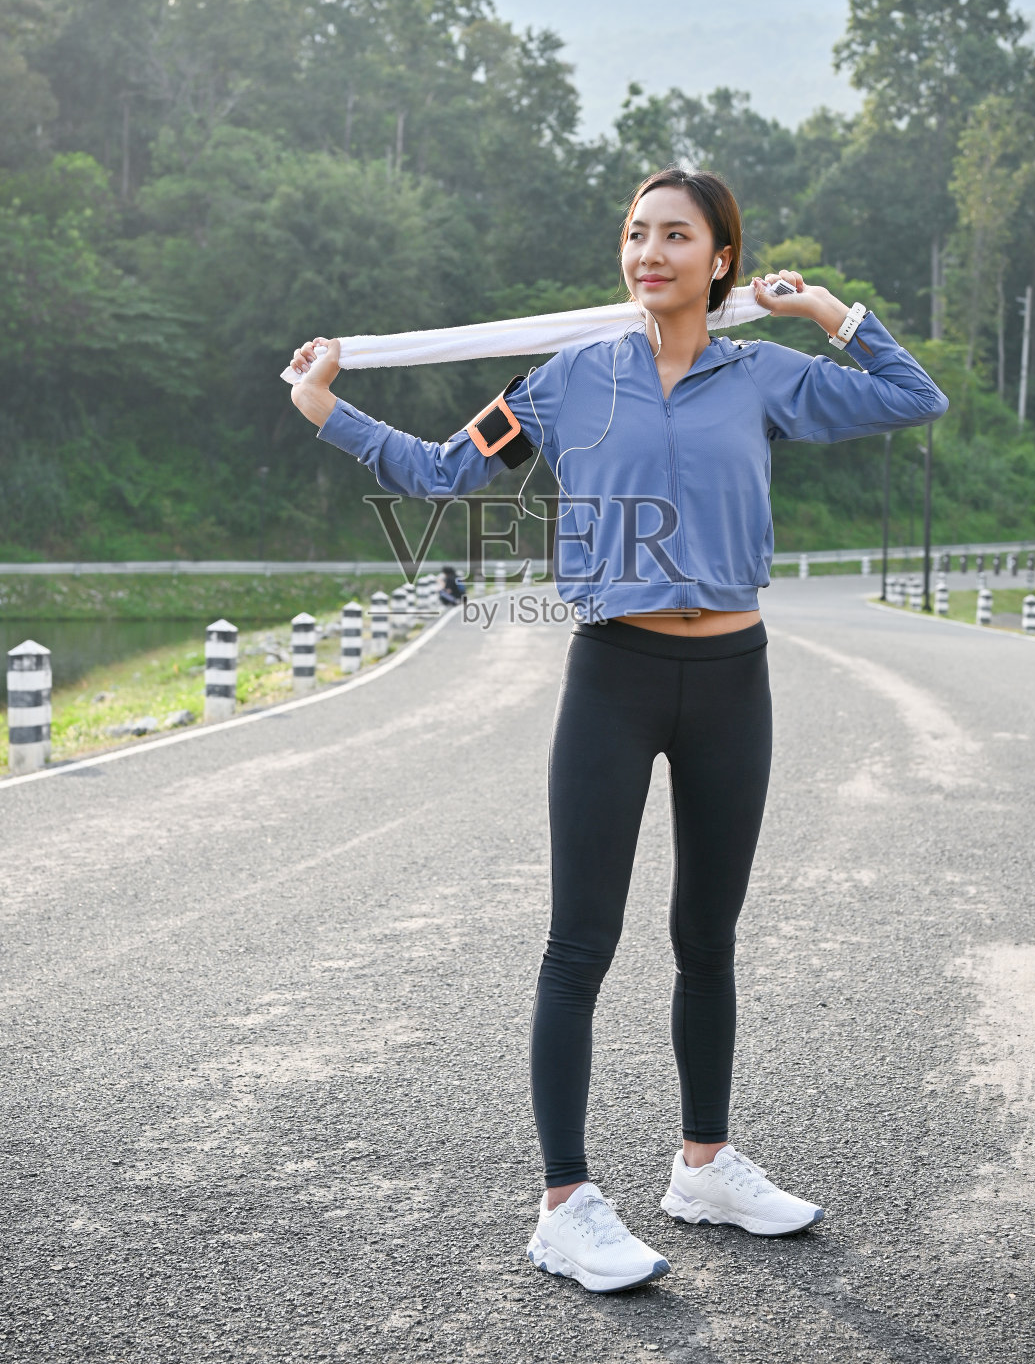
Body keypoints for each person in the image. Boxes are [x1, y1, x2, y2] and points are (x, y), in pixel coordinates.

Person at [287, 167, 949, 1295]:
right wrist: (328, 413)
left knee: (709, 933)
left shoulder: (765, 373)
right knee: (580, 942)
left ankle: (704, 1165)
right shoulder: (566, 381)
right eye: (637, 234)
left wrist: (829, 313)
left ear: (722, 259)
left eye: (677, 236)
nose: (650, 252)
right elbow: (446, 472)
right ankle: (565, 1202)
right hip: (615, 673)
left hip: (735, 677)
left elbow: (910, 396)